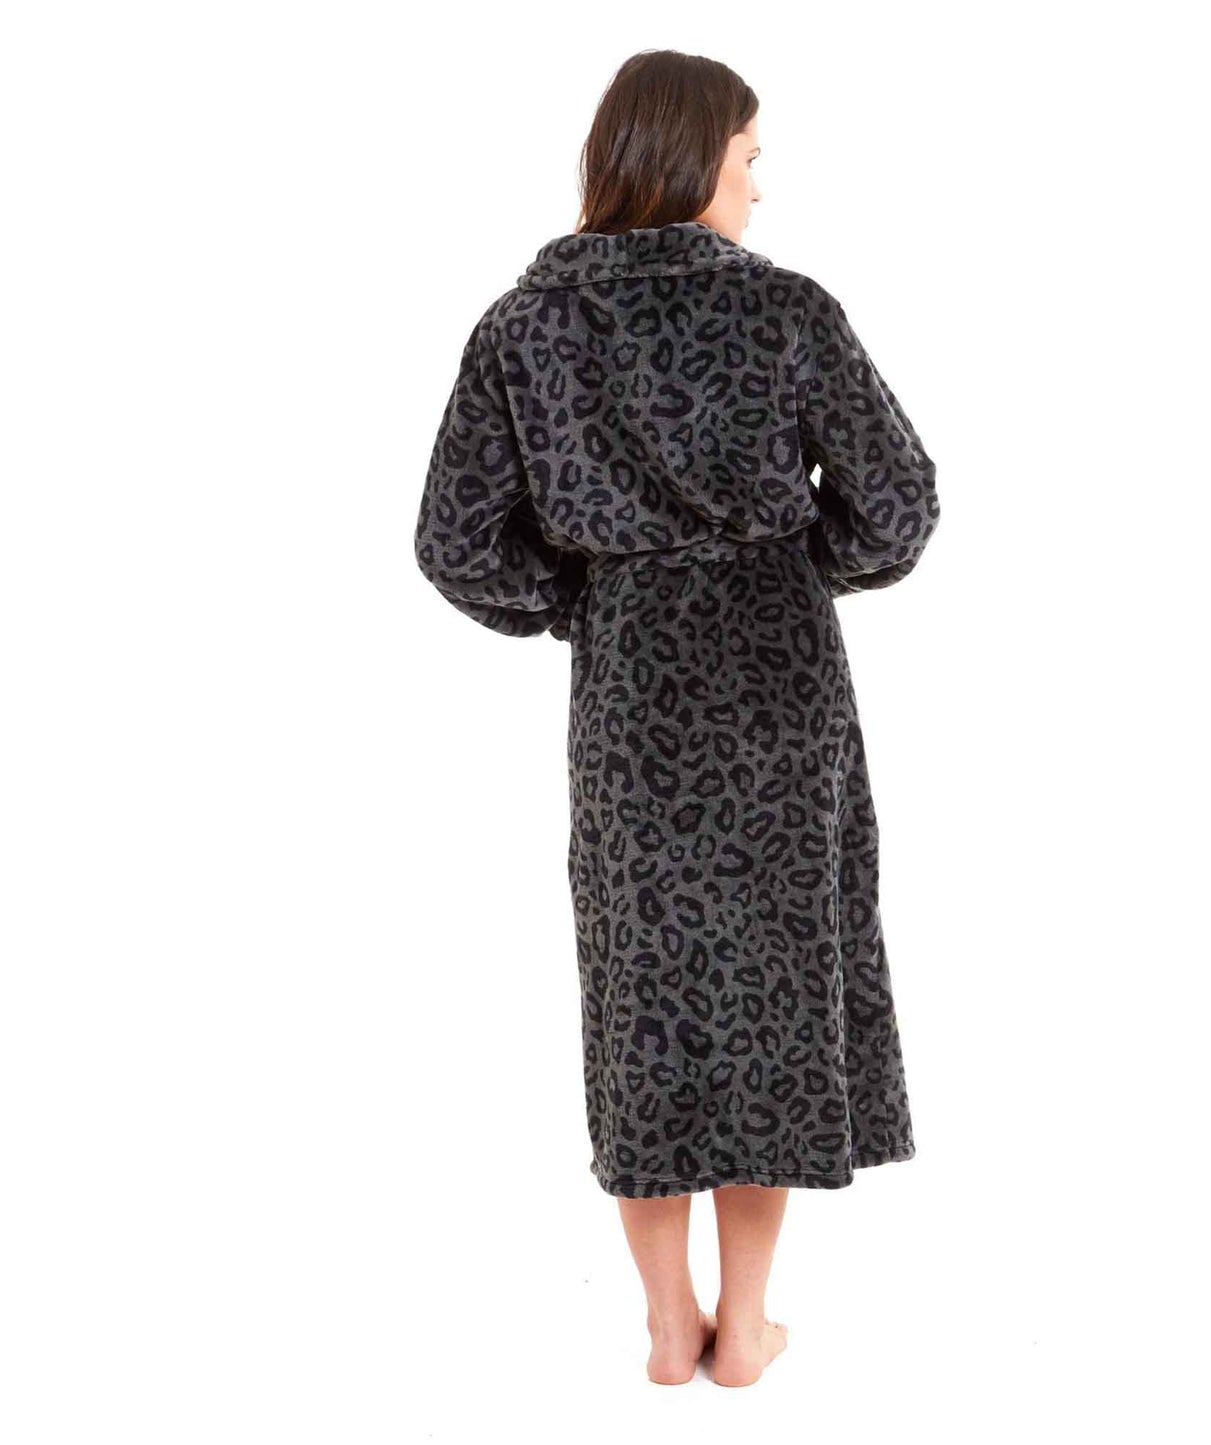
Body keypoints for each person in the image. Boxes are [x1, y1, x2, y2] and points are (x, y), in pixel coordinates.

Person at [413, 49, 941, 1387]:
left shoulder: (525, 327)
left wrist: (585, 595)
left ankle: (665, 1323)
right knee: (773, 990)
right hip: (777, 691)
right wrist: (795, 564)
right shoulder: (786, 312)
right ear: (696, 154)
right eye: (751, 157)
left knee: (643, 993)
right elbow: (899, 502)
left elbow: (454, 541)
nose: (760, 186)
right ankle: (745, 1325)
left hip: (631, 698)